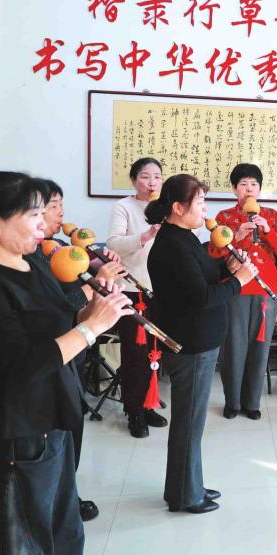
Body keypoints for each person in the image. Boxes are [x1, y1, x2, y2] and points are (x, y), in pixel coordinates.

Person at [0, 168, 130, 555]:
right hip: (17, 431)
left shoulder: (33, 262)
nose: (43, 224)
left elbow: (59, 321)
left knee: (65, 536)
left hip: (55, 419)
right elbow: (21, 367)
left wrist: (93, 311)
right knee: (24, 552)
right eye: (33, 215)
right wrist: (91, 329)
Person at [146, 174, 257, 514]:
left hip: (199, 341)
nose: (205, 210)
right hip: (190, 345)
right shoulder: (172, 246)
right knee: (189, 424)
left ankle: (188, 484)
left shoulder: (184, 237)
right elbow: (201, 298)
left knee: (192, 424)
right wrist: (239, 281)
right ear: (179, 208)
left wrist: (227, 266)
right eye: (200, 203)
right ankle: (185, 495)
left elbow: (202, 277)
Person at [31, 178, 126, 522]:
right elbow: (58, 307)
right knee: (58, 432)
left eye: (60, 205)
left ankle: (67, 493)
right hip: (55, 353)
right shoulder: (31, 258)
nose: (60, 213)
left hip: (74, 349)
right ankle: (58, 500)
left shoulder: (57, 247)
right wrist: (92, 288)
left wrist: (99, 269)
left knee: (73, 425)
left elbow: (73, 301)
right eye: (51, 207)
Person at [214, 163, 277, 420]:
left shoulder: (271, 214)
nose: (249, 189)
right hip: (236, 286)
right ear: (234, 189)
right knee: (233, 346)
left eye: (254, 184)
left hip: (266, 287)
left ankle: (252, 402)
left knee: (260, 346)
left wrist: (267, 230)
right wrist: (236, 235)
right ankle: (232, 402)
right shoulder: (224, 216)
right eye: (243, 184)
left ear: (259, 189)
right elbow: (214, 253)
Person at [105, 157, 168, 438]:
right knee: (135, 354)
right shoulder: (124, 207)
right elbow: (113, 244)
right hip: (133, 289)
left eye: (157, 176)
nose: (152, 182)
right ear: (133, 180)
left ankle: (149, 404)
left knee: (155, 352)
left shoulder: (168, 207)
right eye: (145, 176)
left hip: (162, 289)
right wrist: (146, 235)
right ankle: (133, 411)